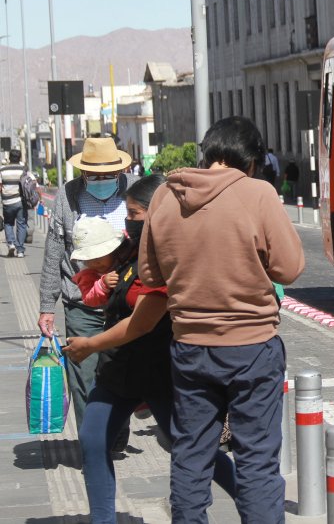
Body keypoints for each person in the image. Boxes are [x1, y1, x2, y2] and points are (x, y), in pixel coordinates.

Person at [138, 116, 304, 521]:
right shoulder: (258, 194)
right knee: (257, 463)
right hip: (253, 349)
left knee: (191, 455)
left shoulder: (164, 196)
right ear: (251, 160)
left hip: (190, 348)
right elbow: (290, 268)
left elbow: (149, 275)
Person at [63, 175, 238, 523]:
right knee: (93, 440)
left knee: (191, 447)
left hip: (161, 376)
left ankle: (253, 496)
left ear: (157, 212)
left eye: (134, 213)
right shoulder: (128, 252)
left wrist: (89, 345)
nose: (127, 221)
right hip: (116, 374)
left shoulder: (169, 260)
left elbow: (141, 323)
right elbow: (91, 277)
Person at [37, 136, 138, 425]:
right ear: (83, 172)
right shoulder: (68, 197)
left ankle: (115, 432)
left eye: (109, 174)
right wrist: (47, 305)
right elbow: (54, 252)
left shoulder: (134, 190)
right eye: (95, 175)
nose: (102, 179)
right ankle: (93, 443)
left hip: (127, 304)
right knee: (84, 379)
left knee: (124, 376)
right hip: (81, 304)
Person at [69, 217, 125, 308]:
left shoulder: (127, 252)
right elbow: (88, 298)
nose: (94, 262)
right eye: (88, 258)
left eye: (99, 256)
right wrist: (103, 285)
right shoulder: (87, 275)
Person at [1, 149, 28, 258]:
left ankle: (11, 244)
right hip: (20, 201)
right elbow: (30, 184)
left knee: (8, 223)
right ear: (20, 158)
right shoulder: (23, 169)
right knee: (21, 224)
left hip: (7, 201)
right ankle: (20, 250)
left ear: (9, 158)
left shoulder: (2, 169)